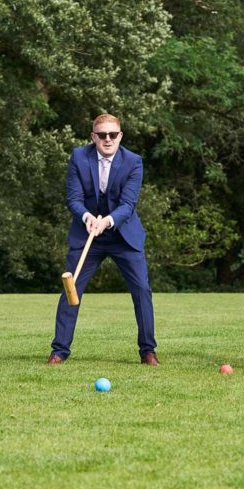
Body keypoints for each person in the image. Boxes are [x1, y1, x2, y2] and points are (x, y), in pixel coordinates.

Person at [48, 114, 158, 366]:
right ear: (93, 137)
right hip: (87, 233)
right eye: (102, 135)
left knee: (141, 290)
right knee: (71, 288)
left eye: (112, 135)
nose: (107, 139)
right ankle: (59, 351)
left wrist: (106, 221)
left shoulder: (133, 162)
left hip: (123, 235)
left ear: (120, 136)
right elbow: (73, 198)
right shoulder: (79, 157)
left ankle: (148, 351)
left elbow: (128, 204)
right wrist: (87, 217)